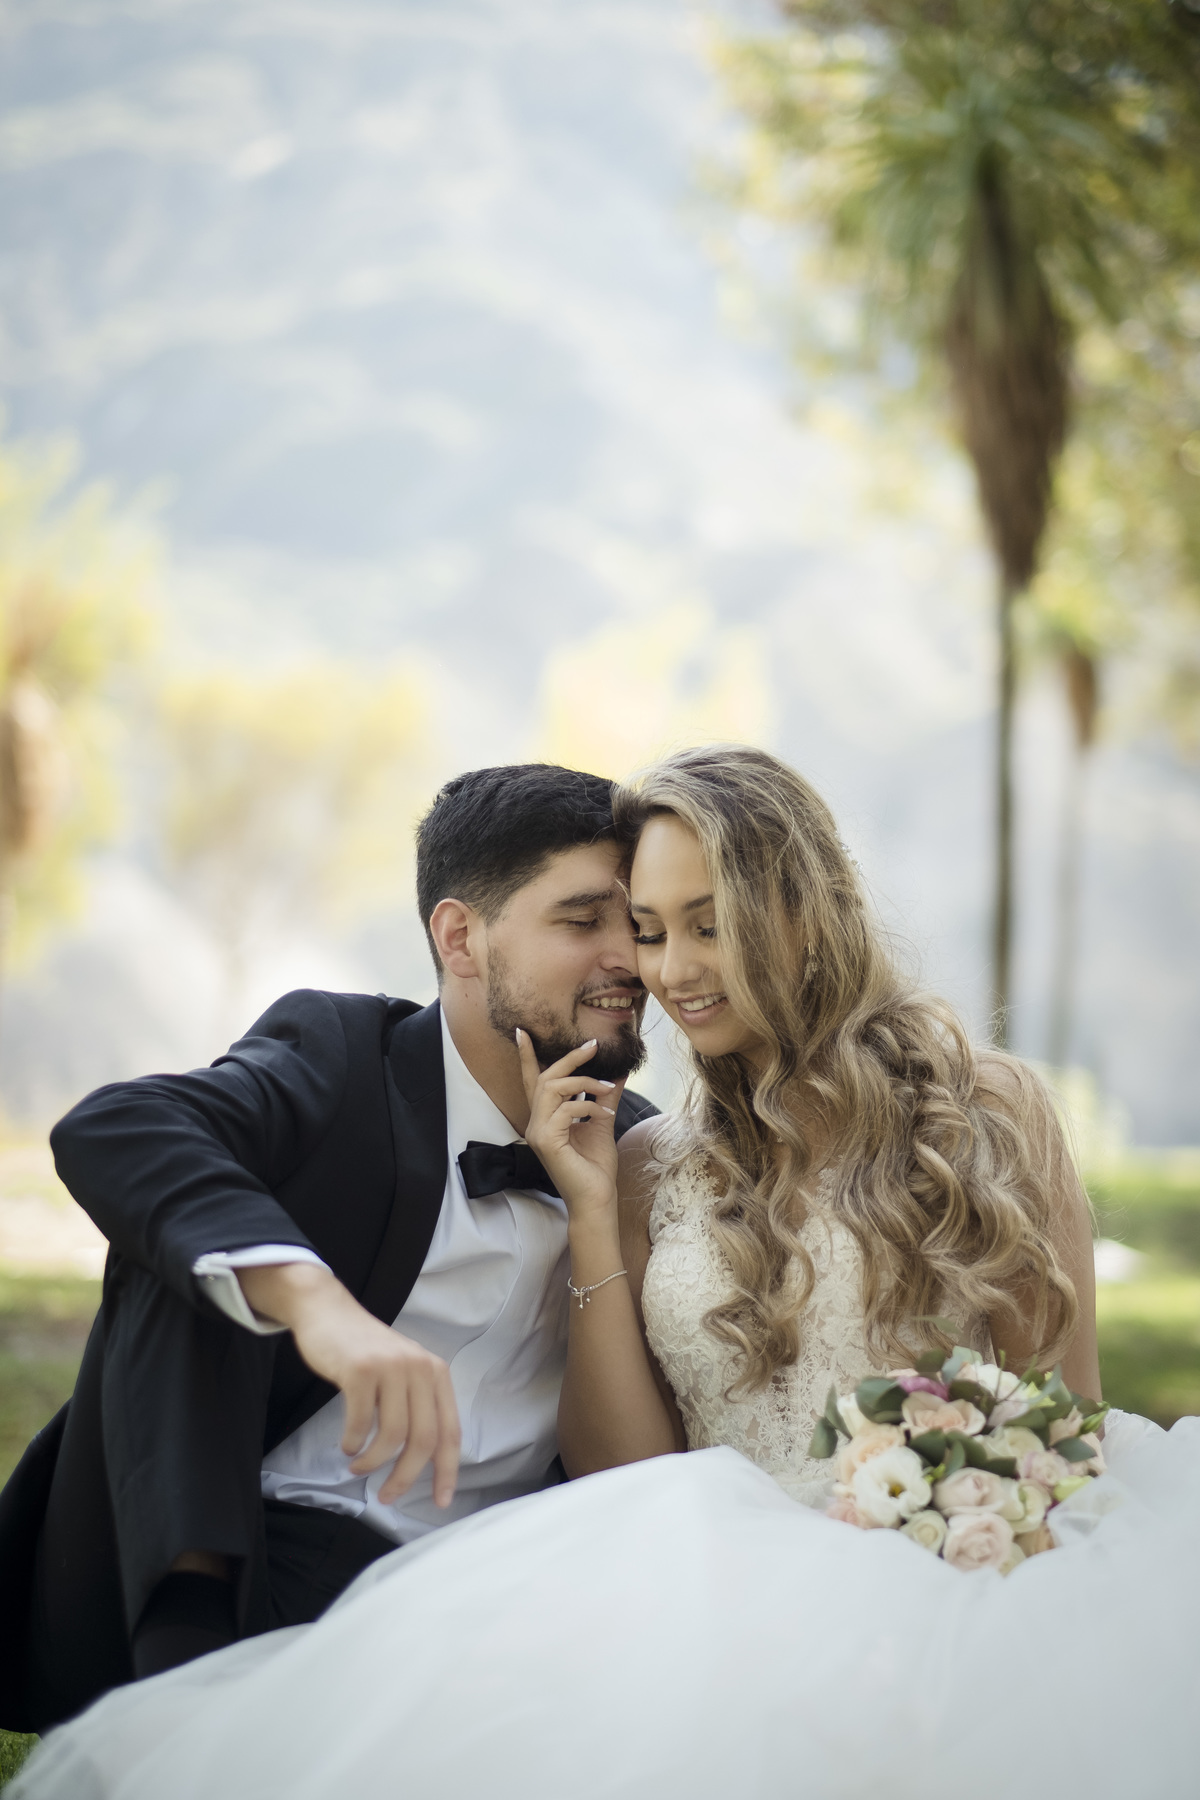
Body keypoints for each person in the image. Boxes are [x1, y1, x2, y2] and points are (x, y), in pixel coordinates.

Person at [10, 747, 1198, 1800]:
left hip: (955, 1563)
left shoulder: (988, 1110)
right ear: (461, 938)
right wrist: (568, 1218)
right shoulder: (624, 1154)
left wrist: (983, 1525)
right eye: (631, 921)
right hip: (608, 1580)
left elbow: (1068, 1405)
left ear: (802, 910)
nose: (659, 966)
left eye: (701, 921)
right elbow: (631, 1479)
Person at [0, 762, 657, 1735]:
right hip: (257, 1550)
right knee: (195, 1248)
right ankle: (186, 1687)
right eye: (581, 920)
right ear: (461, 936)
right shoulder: (345, 1054)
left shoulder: (645, 1150)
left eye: (636, 924)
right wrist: (319, 1307)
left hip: (493, 1588)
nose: (628, 960)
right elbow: (118, 1126)